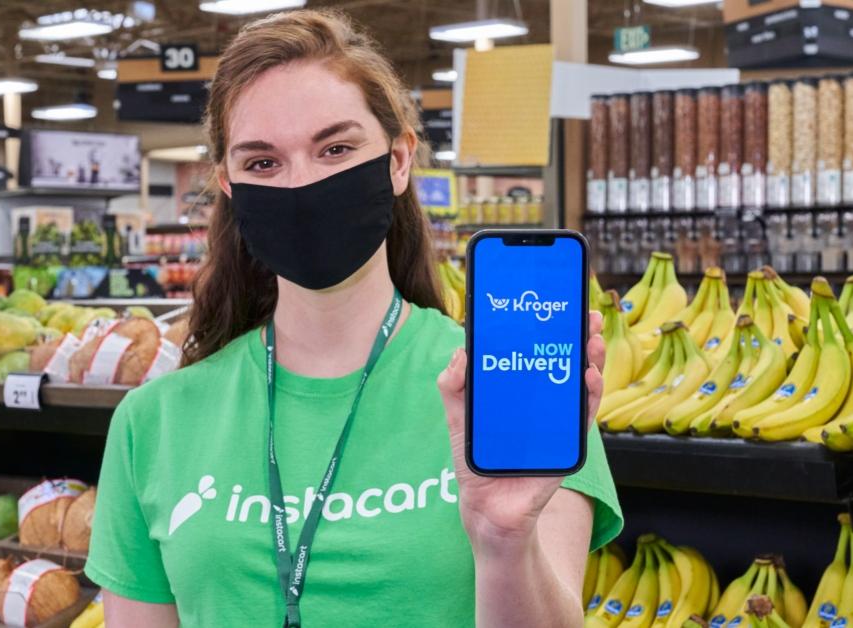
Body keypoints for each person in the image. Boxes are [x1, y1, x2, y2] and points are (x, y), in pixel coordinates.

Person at [85, 9, 622, 627]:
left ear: (398, 161)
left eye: (336, 148)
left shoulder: (505, 392)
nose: (302, 184)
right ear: (228, 185)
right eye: (262, 162)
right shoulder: (154, 424)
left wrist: (505, 538)